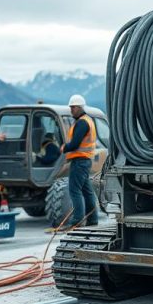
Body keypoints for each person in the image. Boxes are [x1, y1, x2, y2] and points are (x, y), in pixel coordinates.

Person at [61, 94, 98, 226]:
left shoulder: (82, 122)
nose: (71, 110)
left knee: (74, 190)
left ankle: (77, 221)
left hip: (80, 161)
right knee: (87, 191)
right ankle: (92, 219)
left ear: (80, 107)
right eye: (71, 107)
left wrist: (65, 148)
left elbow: (75, 144)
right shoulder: (87, 120)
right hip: (84, 161)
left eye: (73, 107)